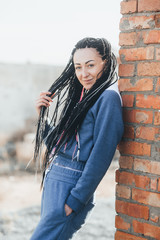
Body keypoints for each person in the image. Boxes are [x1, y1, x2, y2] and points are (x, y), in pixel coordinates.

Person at [30, 37, 124, 240]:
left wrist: (75, 200)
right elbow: (60, 146)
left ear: (106, 62)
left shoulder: (108, 98)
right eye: (78, 67)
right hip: (57, 179)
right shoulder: (85, 94)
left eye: (90, 65)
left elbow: (101, 155)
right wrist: (43, 117)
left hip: (71, 184)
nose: (83, 73)